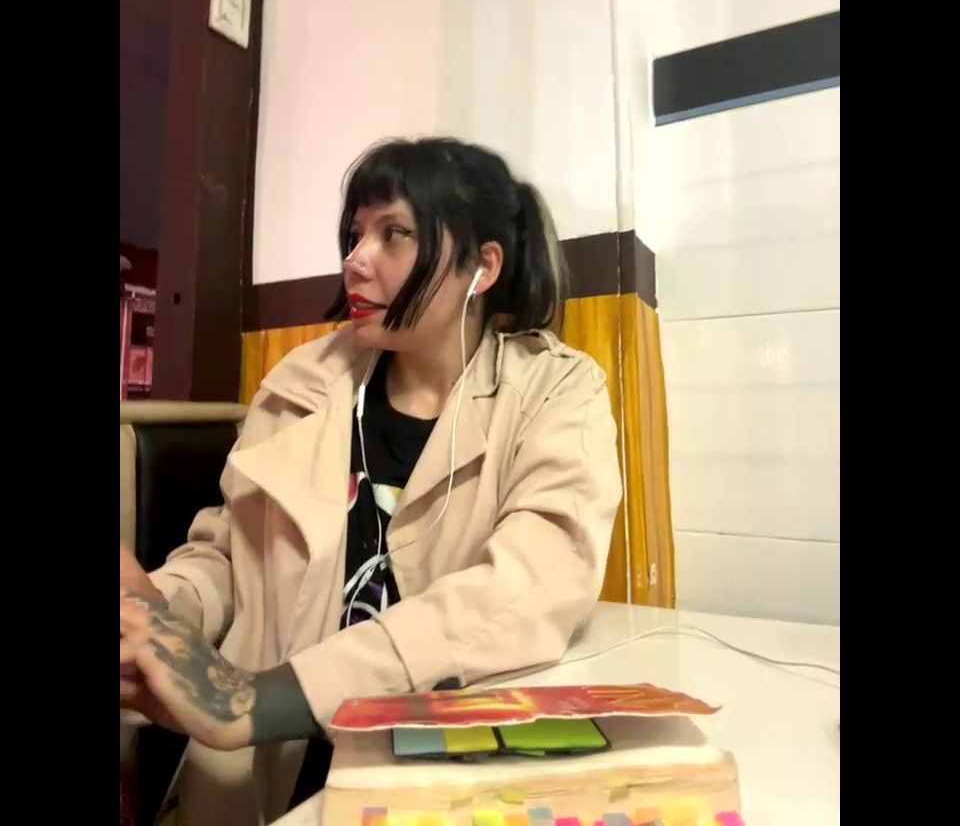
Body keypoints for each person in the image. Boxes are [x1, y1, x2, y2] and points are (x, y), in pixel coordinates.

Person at [119, 137, 622, 825]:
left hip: (436, 781)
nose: (355, 260)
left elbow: (531, 585)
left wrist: (253, 700)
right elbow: (229, 560)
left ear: (482, 267)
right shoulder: (301, 384)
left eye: (394, 234)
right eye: (355, 234)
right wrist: (156, 611)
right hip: (264, 777)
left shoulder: (555, 391)